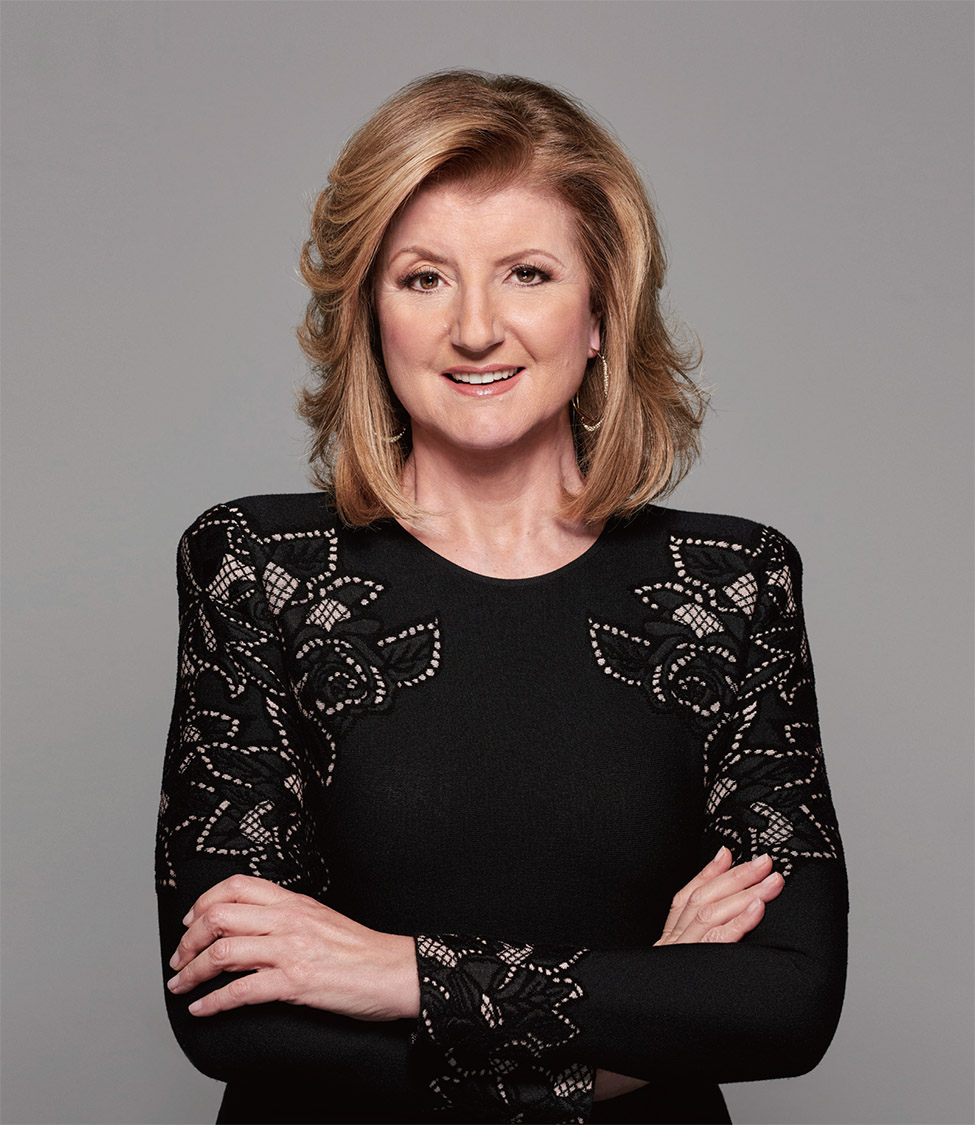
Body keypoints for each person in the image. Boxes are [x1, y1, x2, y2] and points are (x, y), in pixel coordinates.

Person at [156, 71, 847, 1125]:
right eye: (423, 279)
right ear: (369, 315)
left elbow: (786, 1003)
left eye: (527, 273)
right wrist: (633, 1031)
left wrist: (396, 971)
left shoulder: (731, 583)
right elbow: (231, 1011)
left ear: (601, 313)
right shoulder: (258, 568)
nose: (475, 328)